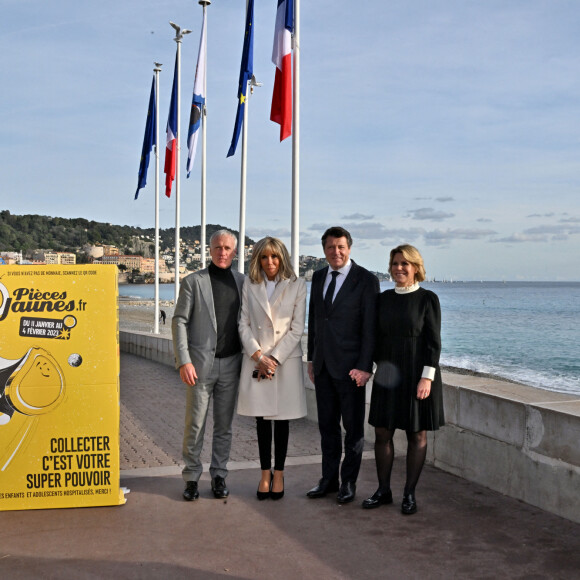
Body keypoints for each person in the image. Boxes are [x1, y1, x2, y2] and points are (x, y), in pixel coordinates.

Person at [363, 244, 444, 515]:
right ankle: (383, 490)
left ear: (416, 268)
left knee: (416, 433)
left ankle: (409, 494)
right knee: (382, 432)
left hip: (416, 373)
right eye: (395, 263)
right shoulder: (383, 299)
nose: (399, 268)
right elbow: (374, 337)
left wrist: (427, 378)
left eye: (405, 263)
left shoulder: (427, 299)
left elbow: (433, 342)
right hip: (388, 372)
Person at [306, 226, 380, 503]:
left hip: (351, 370)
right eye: (330, 247)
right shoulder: (318, 277)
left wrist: (365, 367)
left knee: (353, 431)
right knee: (327, 428)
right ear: (323, 250)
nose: (335, 252)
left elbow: (370, 329)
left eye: (340, 247)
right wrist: (312, 359)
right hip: (323, 367)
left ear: (349, 248)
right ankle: (328, 480)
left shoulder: (366, 280)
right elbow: (315, 320)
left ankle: (348, 483)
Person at [172, 230, 245, 501]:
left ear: (235, 252)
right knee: (195, 424)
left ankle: (219, 475)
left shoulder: (243, 282)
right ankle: (191, 478)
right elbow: (179, 320)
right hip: (200, 366)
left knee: (224, 425)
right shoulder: (193, 281)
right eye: (217, 247)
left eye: (227, 248)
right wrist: (184, 360)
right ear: (210, 250)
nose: (222, 252)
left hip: (232, 364)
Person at [237, 237, 307, 500]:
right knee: (262, 421)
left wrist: (273, 359)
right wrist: (258, 355)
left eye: (275, 257)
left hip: (284, 362)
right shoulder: (250, 284)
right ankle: (264, 473)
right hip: (256, 359)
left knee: (282, 420)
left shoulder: (297, 285)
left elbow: (297, 328)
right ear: (257, 259)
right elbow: (242, 323)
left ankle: (279, 473)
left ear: (282, 258)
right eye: (264, 257)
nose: (270, 262)